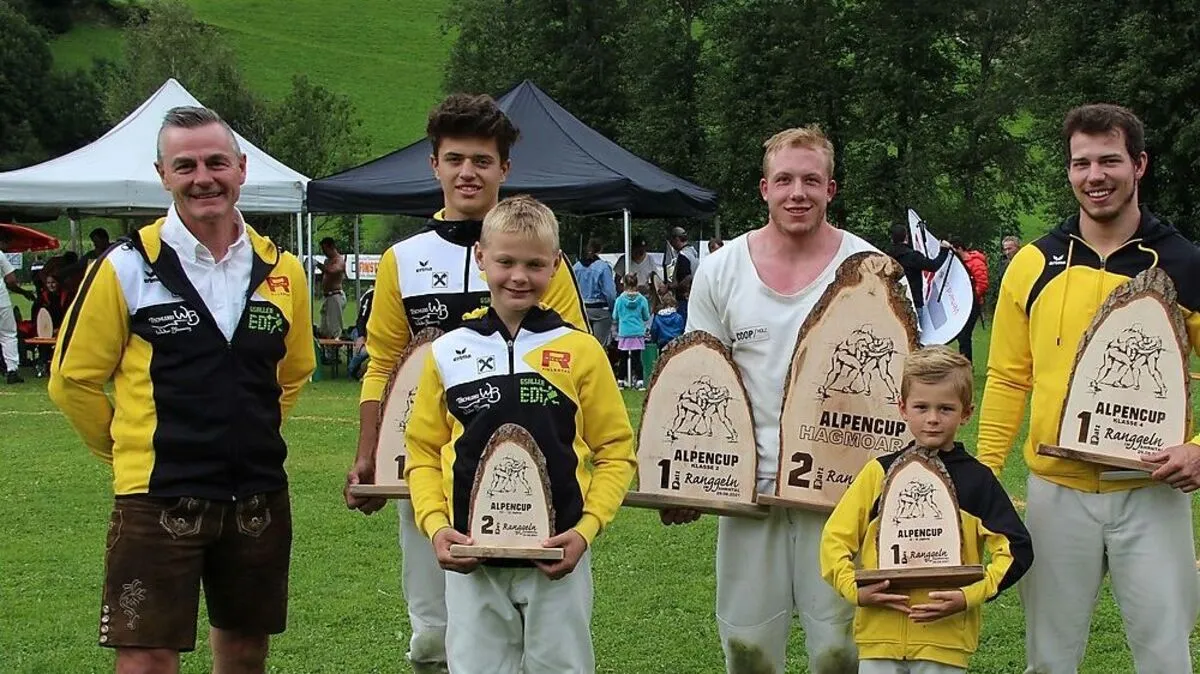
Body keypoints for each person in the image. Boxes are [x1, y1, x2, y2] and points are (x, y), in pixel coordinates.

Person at [47, 105, 315, 674]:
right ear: (163, 174)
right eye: (185, 165)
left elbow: (291, 374)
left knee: (245, 652)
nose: (203, 178)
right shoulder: (126, 266)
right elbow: (73, 380)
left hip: (256, 495)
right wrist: (126, 451)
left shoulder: (282, 270)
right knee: (146, 657)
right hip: (157, 495)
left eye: (216, 162)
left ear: (241, 169)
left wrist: (247, 433)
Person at [342, 93, 587, 674]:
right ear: (434, 165)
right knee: (433, 636)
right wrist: (367, 455)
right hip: (430, 466)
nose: (467, 172)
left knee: (534, 633)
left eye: (482, 160)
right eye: (454, 159)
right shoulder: (403, 258)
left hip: (529, 472)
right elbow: (380, 364)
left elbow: (572, 363)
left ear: (505, 168)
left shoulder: (538, 254)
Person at [662, 125, 903, 673]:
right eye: (785, 180)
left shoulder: (873, 270)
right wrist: (683, 480)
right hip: (749, 490)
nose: (798, 192)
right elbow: (697, 380)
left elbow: (900, 388)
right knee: (748, 649)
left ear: (831, 189)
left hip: (842, 490)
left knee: (840, 650)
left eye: (811, 181)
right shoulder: (723, 270)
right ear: (764, 188)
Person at [979, 103, 1200, 674]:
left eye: (1110, 160)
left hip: (1150, 490)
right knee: (1049, 661)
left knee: (1164, 656)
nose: (1095, 175)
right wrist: (980, 474)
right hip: (1056, 493)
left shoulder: (1182, 263)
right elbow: (1007, 375)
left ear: (1140, 164)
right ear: (1069, 170)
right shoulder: (1033, 263)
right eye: (1082, 163)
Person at [404, 195, 636, 674]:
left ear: (555, 265)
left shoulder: (581, 350)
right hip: (473, 559)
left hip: (557, 559)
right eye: (505, 261)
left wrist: (585, 531)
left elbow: (616, 451)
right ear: (481, 258)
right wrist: (435, 525)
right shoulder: (448, 351)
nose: (519, 276)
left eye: (535, 264)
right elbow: (422, 450)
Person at [821, 346, 1033, 673]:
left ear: (966, 413)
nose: (932, 419)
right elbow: (835, 538)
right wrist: (855, 589)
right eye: (921, 407)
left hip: (944, 644)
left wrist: (970, 594)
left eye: (945, 408)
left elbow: (1017, 548)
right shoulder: (878, 473)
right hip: (879, 639)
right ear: (902, 408)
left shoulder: (977, 481)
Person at [888, 223, 950, 311]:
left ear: (892, 239)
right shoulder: (912, 256)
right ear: (906, 237)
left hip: (893, 302)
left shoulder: (887, 256)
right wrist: (944, 250)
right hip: (913, 303)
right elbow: (933, 266)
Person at [0, 231, 35, 384]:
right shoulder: (0, 254)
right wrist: (22, 292)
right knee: (8, 334)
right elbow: (11, 279)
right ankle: (12, 370)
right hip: (1, 301)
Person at [947, 240, 987, 362]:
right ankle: (964, 360)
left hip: (972, 304)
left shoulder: (976, 263)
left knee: (965, 335)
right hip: (961, 304)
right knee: (961, 335)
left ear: (959, 249)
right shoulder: (957, 264)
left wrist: (971, 298)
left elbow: (982, 283)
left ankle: (966, 362)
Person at [573, 237, 616, 347]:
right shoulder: (603, 267)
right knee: (598, 346)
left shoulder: (576, 267)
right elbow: (610, 293)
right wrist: (612, 309)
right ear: (600, 250)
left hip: (581, 310)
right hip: (599, 310)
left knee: (581, 345)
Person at [612, 273, 650, 389]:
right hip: (637, 332)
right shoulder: (642, 299)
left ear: (624, 284)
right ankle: (639, 381)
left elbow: (615, 316)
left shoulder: (619, 300)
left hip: (624, 332)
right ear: (637, 284)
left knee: (623, 358)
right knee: (637, 358)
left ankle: (621, 380)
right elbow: (646, 316)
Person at [31, 272, 69, 377]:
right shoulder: (42, 299)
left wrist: (59, 329)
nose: (51, 285)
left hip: (63, 328)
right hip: (45, 330)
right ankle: (42, 365)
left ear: (58, 283)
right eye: (48, 283)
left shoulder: (66, 297)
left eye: (53, 282)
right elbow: (36, 316)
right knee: (43, 344)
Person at [316, 237, 346, 339]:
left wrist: (318, 265)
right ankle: (327, 351)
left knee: (334, 327)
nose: (324, 252)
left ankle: (335, 350)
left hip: (335, 295)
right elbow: (325, 274)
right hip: (327, 297)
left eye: (325, 250)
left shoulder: (339, 260)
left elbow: (334, 271)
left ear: (332, 247)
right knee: (324, 329)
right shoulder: (327, 261)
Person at [666, 226, 697, 318]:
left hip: (684, 298)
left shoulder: (683, 255)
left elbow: (687, 278)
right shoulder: (693, 253)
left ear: (676, 239)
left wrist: (671, 286)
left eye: (672, 240)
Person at [348, 284, 374, 380]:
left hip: (377, 334)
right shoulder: (370, 295)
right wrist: (361, 336)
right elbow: (361, 319)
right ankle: (352, 370)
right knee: (363, 352)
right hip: (361, 331)